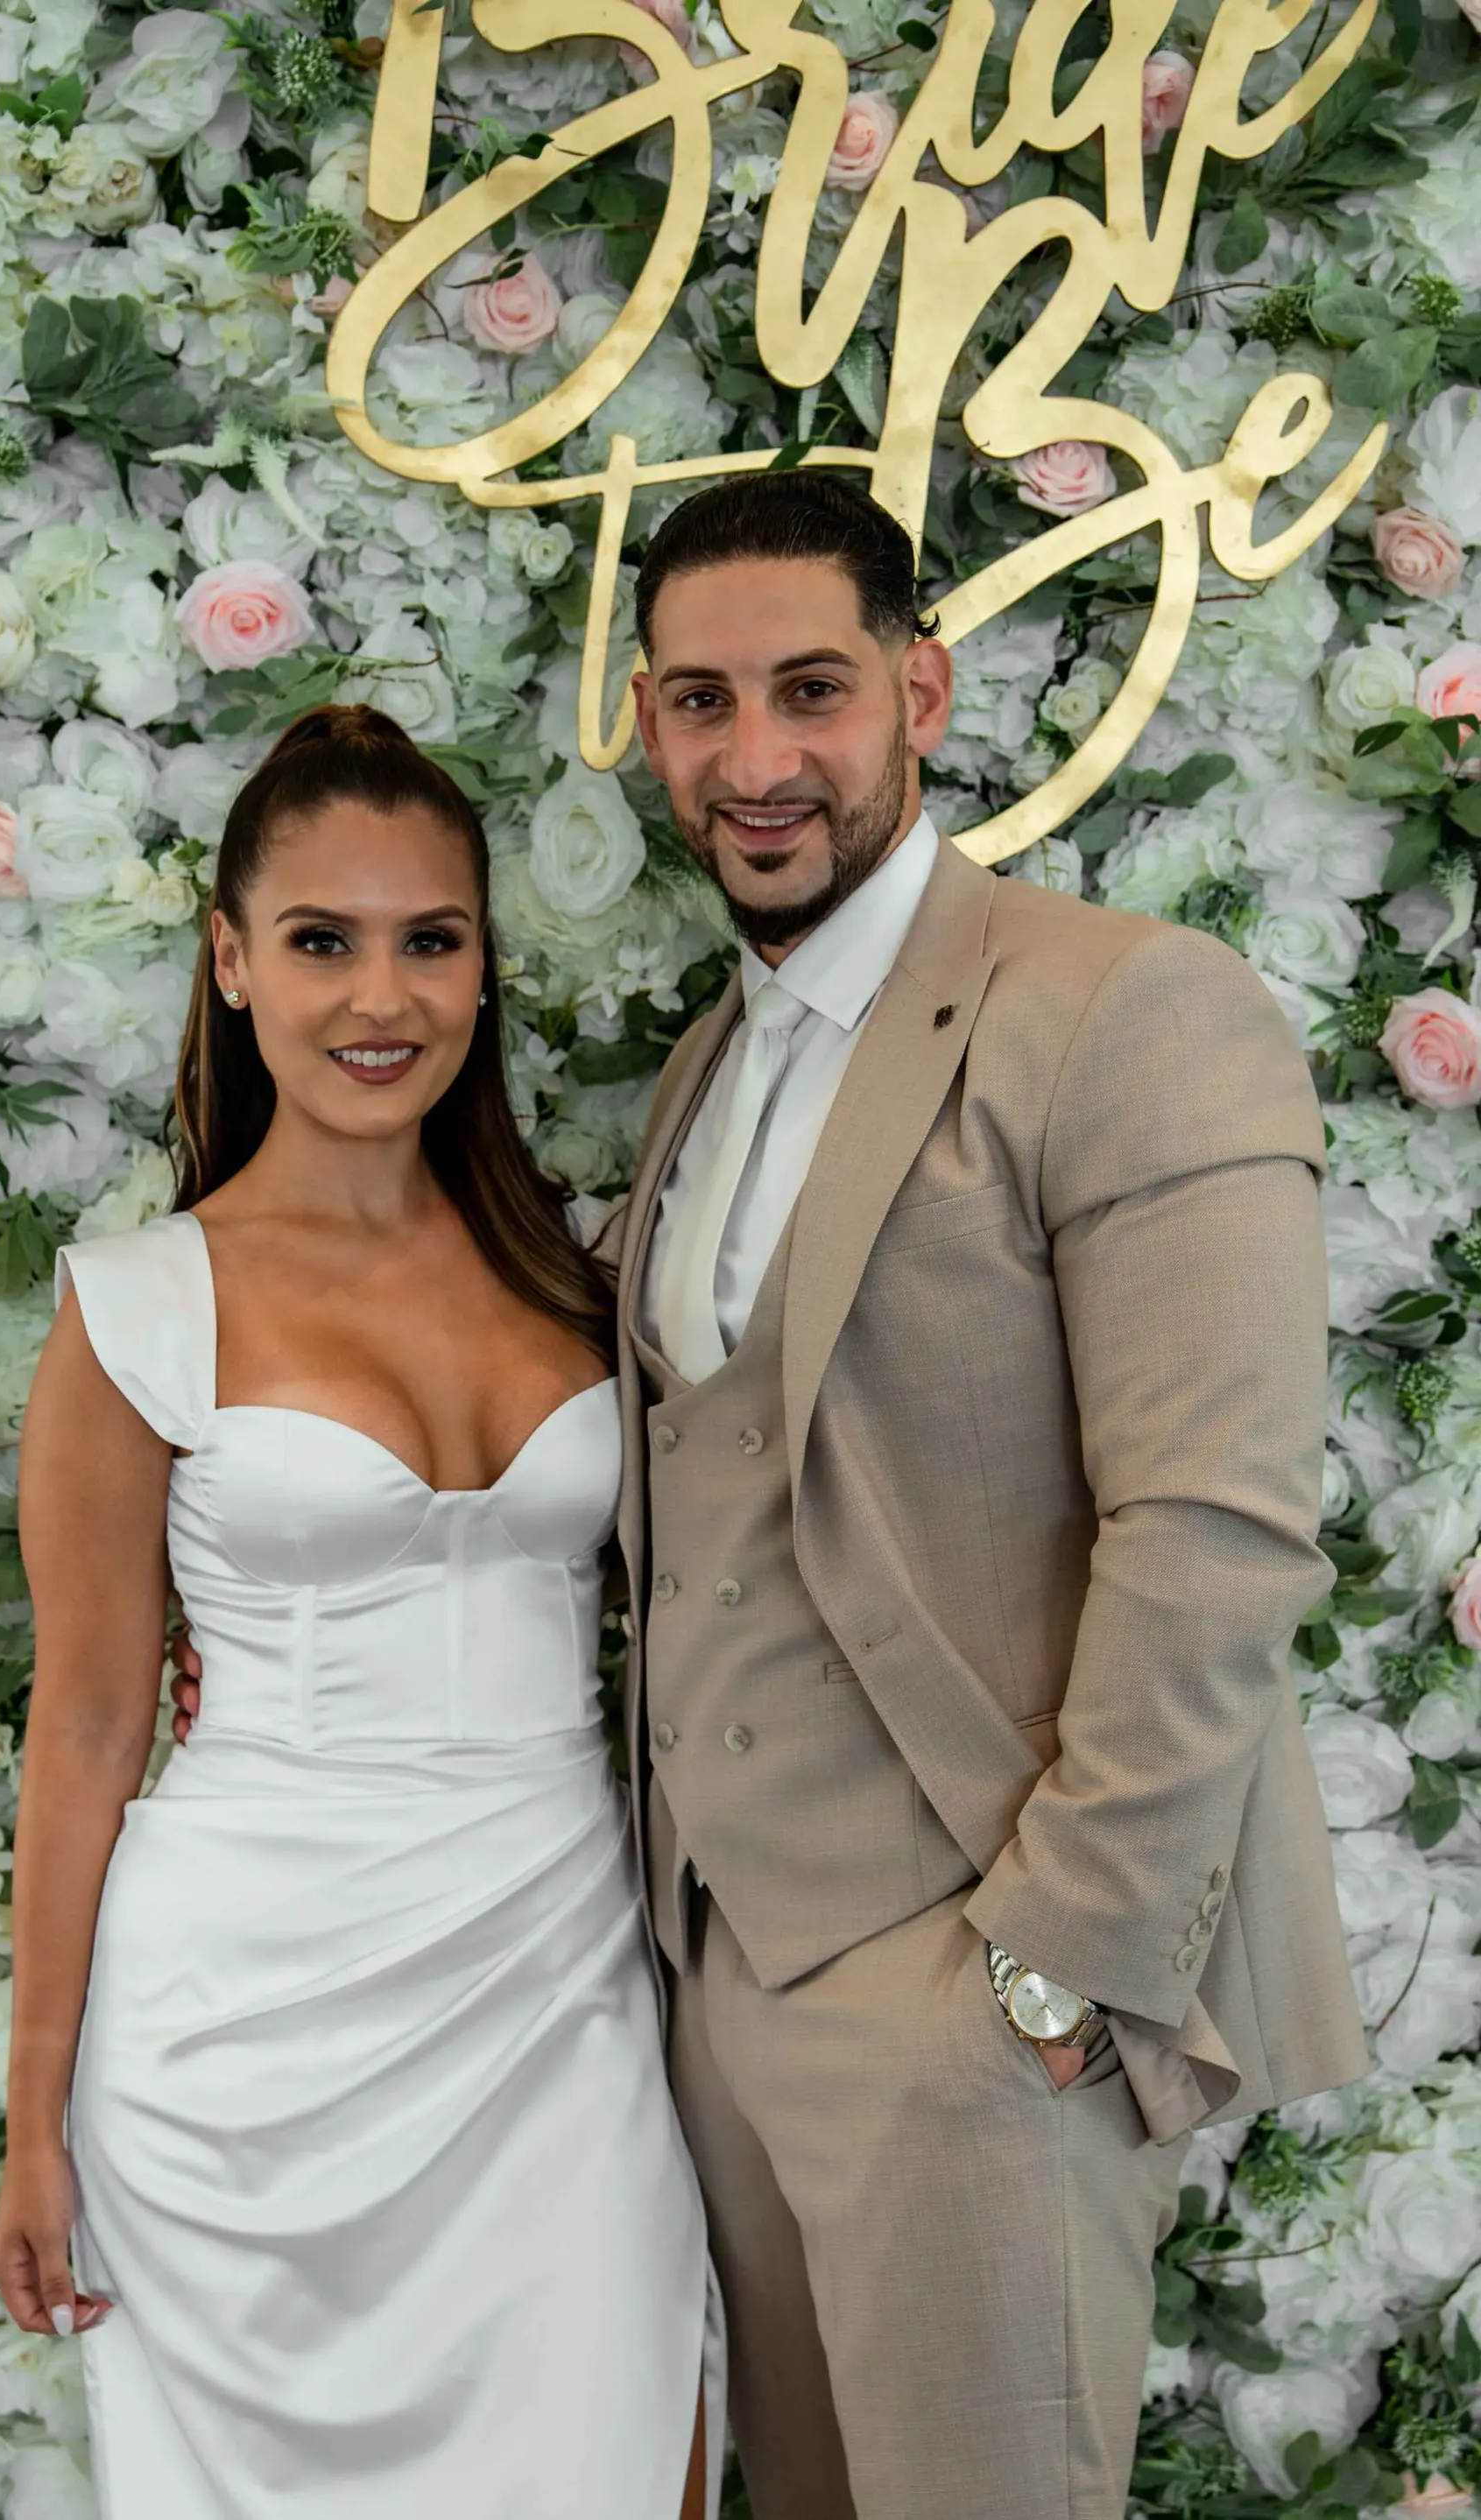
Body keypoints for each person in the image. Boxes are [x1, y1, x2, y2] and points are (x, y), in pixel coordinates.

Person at [173, 472, 1367, 2520]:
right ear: (649, 722)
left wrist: (1056, 1964)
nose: (755, 758)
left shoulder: (1124, 1007)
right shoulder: (713, 1066)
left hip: (978, 1991)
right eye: (703, 702)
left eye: (812, 689)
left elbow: (1219, 1527)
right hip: (712, 1992)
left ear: (922, 690)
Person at [0, 705, 716, 2520]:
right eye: (322, 940)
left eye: (429, 939)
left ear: (482, 965)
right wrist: (31, 2120)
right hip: (240, 2032)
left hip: (557, 1985)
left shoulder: (579, 1276)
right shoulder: (137, 1305)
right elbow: (87, 1726)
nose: (379, 996)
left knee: (630, 2445)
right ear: (232, 959)